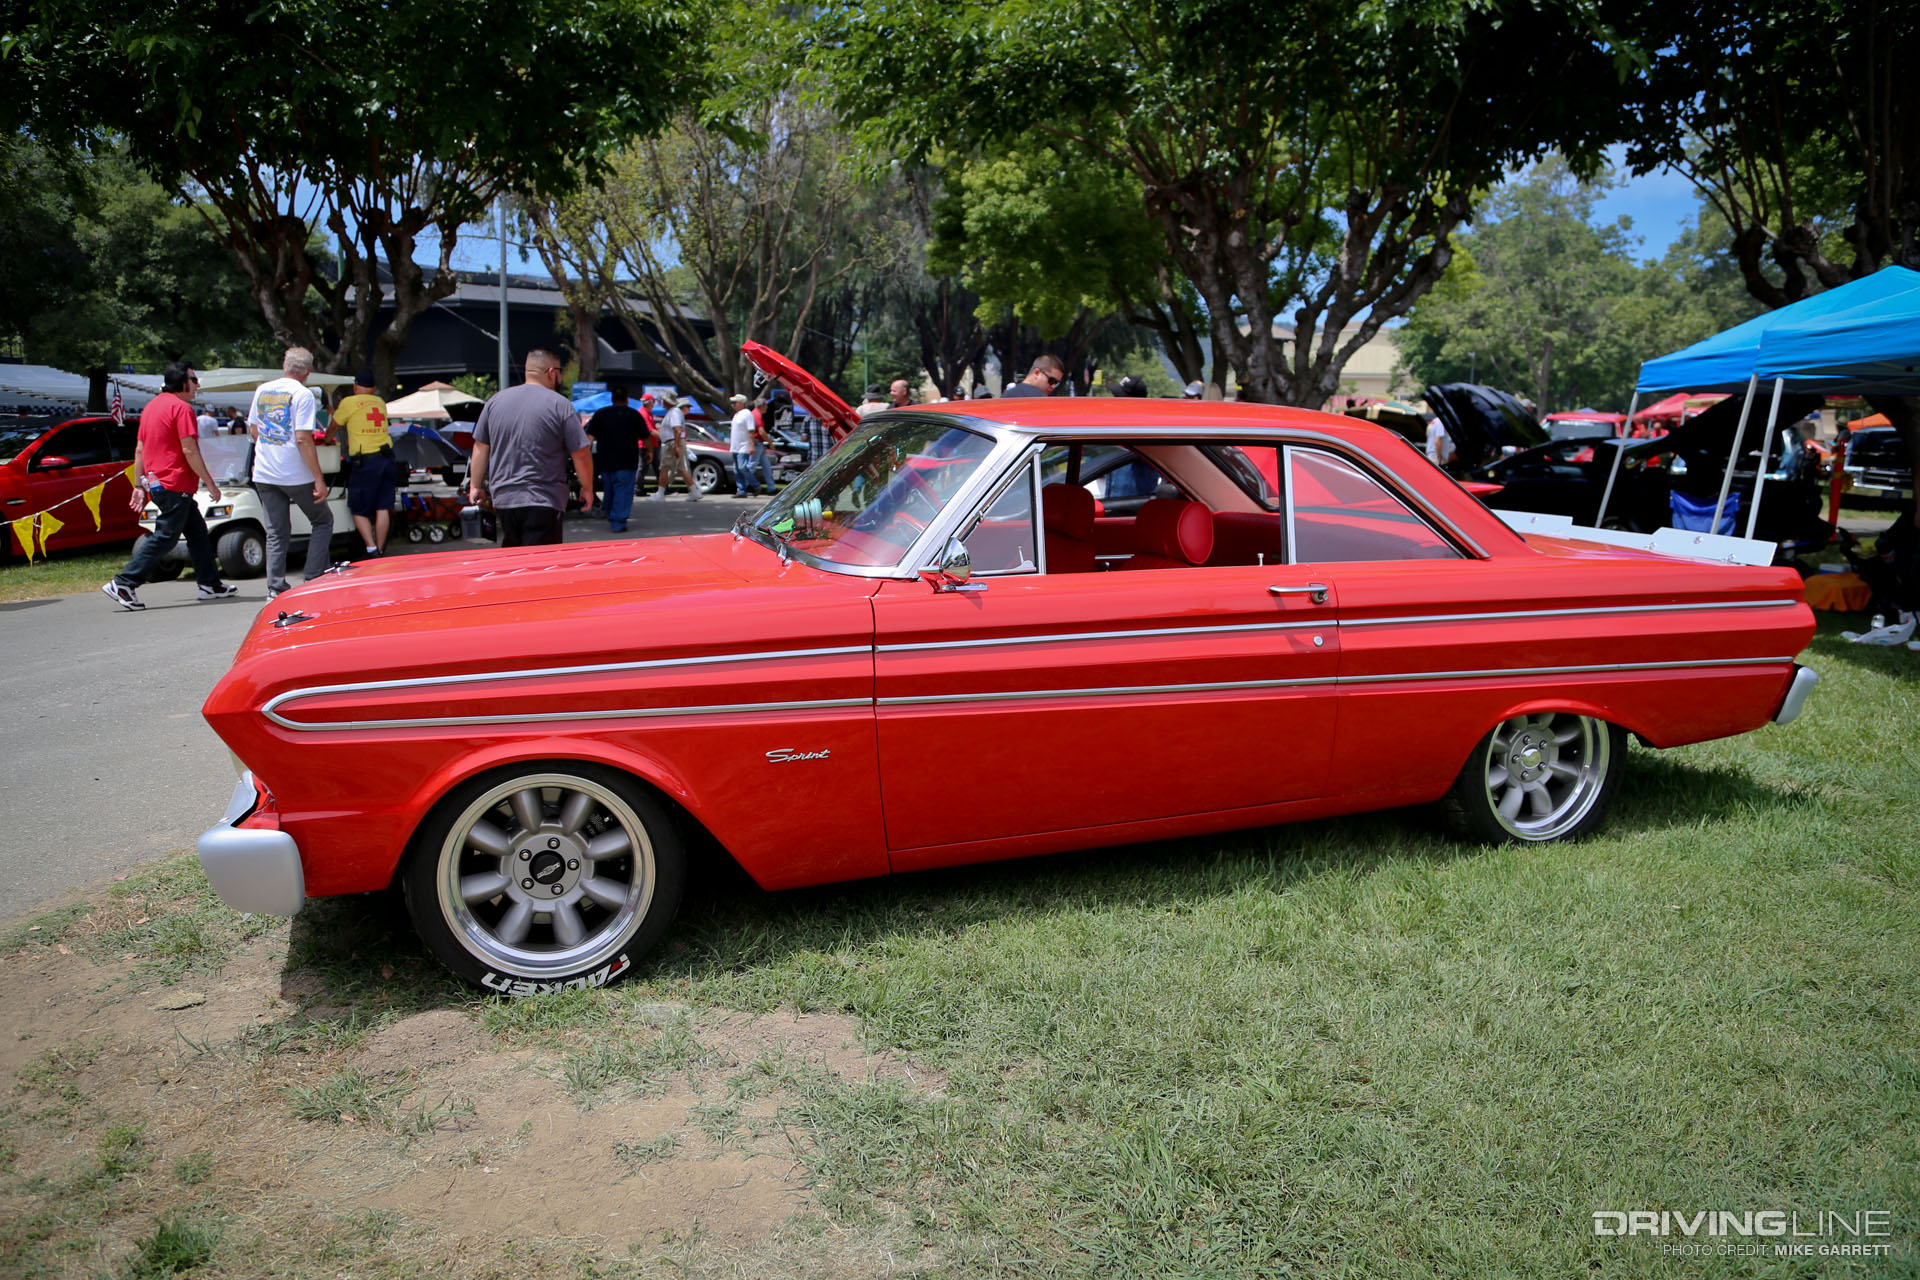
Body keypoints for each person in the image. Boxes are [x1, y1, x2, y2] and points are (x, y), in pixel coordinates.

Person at [102, 361, 239, 610]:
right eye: (194, 379)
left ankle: (210, 584)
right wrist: (210, 483)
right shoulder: (181, 408)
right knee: (166, 536)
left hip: (158, 483)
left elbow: (140, 449)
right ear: (182, 382)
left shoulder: (151, 407)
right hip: (175, 483)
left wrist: (138, 485)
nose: (197, 384)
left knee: (197, 533)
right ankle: (123, 582)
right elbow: (190, 449)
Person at [468, 349, 594, 546]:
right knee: (541, 561)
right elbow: (581, 453)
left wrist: (475, 486)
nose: (560, 378)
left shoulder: (495, 402)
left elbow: (480, 447)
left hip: (505, 499)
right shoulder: (560, 405)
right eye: (560, 372)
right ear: (551, 372)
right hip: (544, 498)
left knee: (514, 557)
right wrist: (587, 488)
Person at [247, 346, 334, 599]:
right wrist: (318, 478)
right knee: (322, 520)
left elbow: (253, 429)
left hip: (264, 472)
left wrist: (269, 449)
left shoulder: (262, 390)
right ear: (308, 371)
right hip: (294, 472)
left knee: (276, 531)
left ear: (284, 366)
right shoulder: (303, 394)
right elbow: (303, 439)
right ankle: (313, 577)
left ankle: (275, 587)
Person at [332, 370, 395, 556]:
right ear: (374, 388)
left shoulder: (349, 402)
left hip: (365, 461)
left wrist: (327, 440)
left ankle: (371, 547)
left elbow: (334, 425)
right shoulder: (380, 402)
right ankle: (381, 549)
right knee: (383, 506)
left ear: (355, 387)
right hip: (386, 457)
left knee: (358, 507)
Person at [585, 385, 647, 532]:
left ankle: (611, 514)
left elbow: (589, 438)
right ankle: (618, 521)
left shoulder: (601, 414)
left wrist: (586, 454)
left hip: (605, 462)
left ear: (612, 399)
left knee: (609, 490)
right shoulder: (634, 415)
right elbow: (646, 437)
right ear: (626, 400)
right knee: (623, 491)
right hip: (627, 461)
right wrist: (650, 451)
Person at [651, 394, 699, 500]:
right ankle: (694, 492)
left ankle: (660, 494)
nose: (663, 402)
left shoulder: (673, 413)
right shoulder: (674, 412)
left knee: (664, 468)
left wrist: (676, 446)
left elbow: (677, 430)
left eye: (664, 400)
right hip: (674, 442)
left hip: (672, 442)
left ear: (668, 402)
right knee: (681, 468)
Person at [728, 393, 761, 497]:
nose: (733, 404)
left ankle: (756, 485)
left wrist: (751, 445)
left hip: (744, 445)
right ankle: (741, 490)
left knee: (742, 467)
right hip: (735, 446)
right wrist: (731, 448)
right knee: (736, 469)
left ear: (741, 403)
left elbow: (751, 431)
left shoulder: (747, 414)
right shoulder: (736, 415)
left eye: (735, 402)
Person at [1001, 354, 1066, 398]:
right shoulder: (1042, 402)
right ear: (1037, 373)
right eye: (1052, 381)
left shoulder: (1006, 396)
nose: (1053, 386)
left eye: (1056, 383)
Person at [636, 392, 660, 494]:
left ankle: (663, 488)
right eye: (653, 401)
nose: (654, 403)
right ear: (649, 402)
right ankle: (637, 488)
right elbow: (649, 430)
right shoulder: (644, 413)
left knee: (654, 466)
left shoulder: (646, 412)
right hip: (646, 445)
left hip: (651, 444)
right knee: (643, 467)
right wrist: (662, 437)